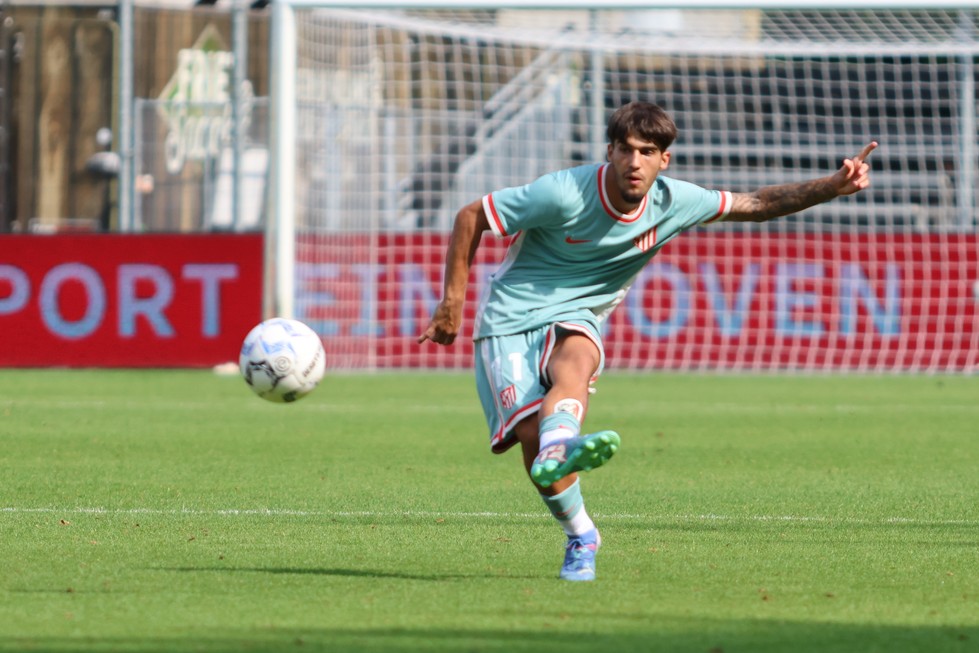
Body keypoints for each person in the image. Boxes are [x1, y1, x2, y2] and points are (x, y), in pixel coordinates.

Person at [418, 101, 876, 582]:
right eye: (627, 150)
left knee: (574, 360)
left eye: (648, 151)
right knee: (532, 444)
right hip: (510, 315)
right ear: (610, 152)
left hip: (580, 315)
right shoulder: (563, 193)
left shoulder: (675, 200)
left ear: (664, 160)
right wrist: (452, 302)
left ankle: (561, 453)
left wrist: (834, 185)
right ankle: (581, 529)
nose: (635, 162)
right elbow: (473, 215)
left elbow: (757, 205)